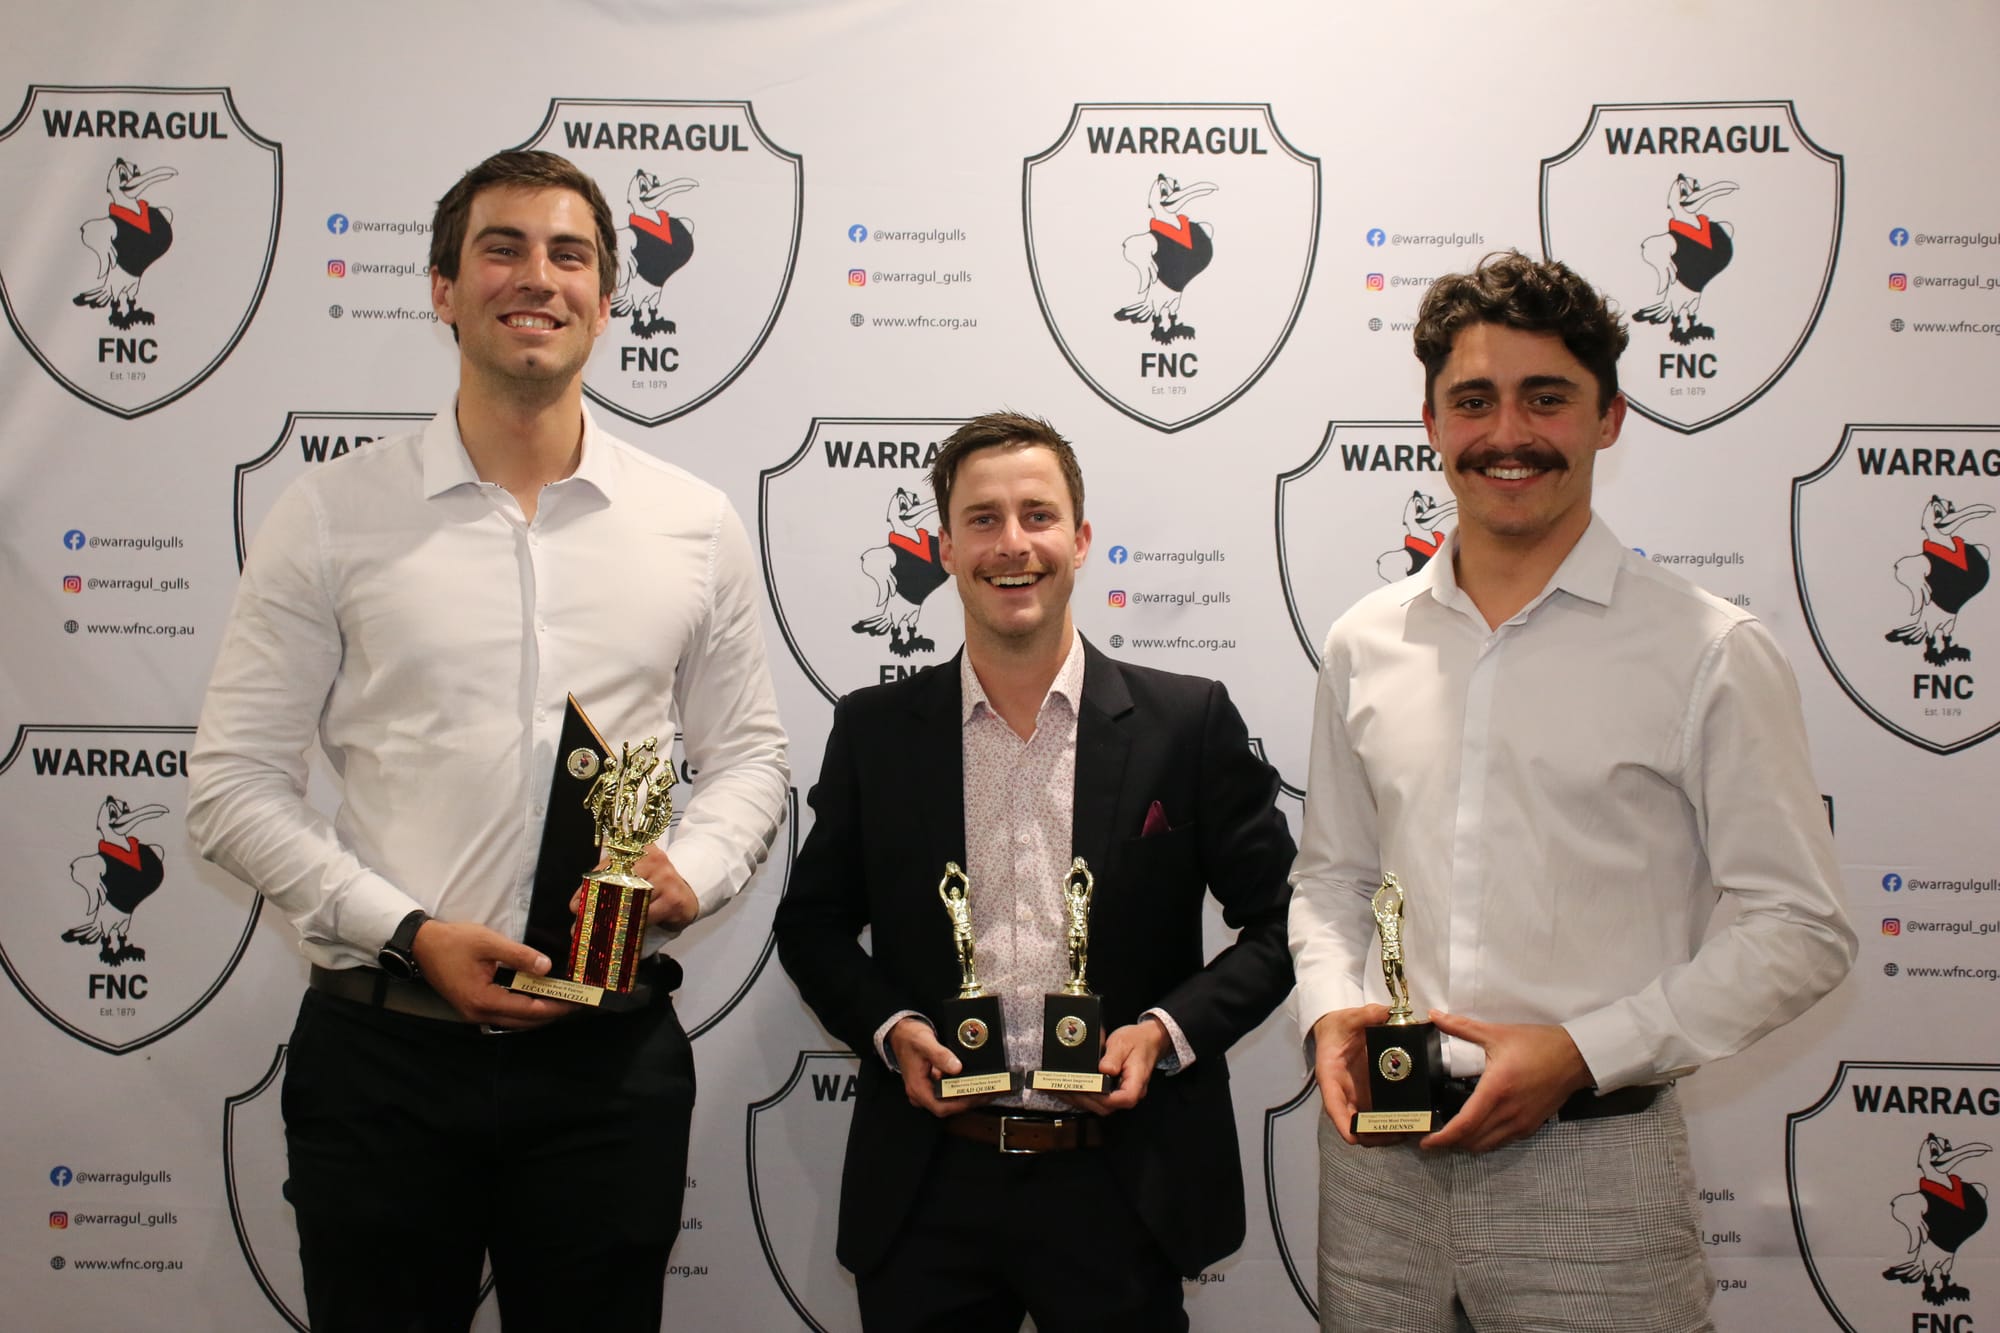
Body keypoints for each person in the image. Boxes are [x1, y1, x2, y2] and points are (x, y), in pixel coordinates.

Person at [187, 149, 788, 1332]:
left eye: (570, 255)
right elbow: (232, 784)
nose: (538, 277)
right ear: (442, 289)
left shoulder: (690, 524)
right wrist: (407, 932)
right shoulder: (330, 513)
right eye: (501, 248)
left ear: (608, 301)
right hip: (384, 1060)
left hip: (607, 1069)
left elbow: (752, 755)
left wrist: (694, 869)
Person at [1288, 251, 1856, 1332]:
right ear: (1429, 422)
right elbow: (1332, 878)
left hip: (1591, 1169)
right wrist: (1326, 1010)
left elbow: (1802, 929)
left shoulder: (1706, 650)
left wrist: (1582, 1051)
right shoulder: (1363, 642)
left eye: (1545, 398)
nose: (1506, 433)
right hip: (1376, 1171)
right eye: (1473, 401)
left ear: (1608, 418)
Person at [773, 412, 1296, 1333]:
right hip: (930, 1186)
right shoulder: (874, 732)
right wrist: (890, 1028)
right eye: (982, 520)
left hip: (1120, 1184)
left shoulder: (1187, 723)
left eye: (1038, 516)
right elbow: (811, 924)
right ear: (942, 547)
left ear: (1082, 539)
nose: (1012, 545)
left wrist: (1166, 1031)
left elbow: (1283, 921)